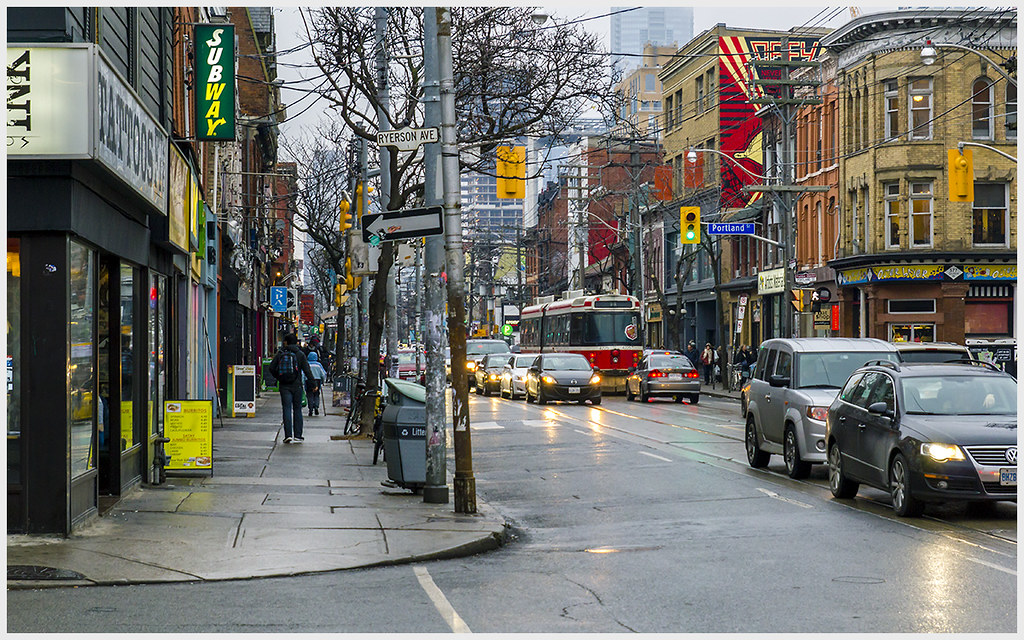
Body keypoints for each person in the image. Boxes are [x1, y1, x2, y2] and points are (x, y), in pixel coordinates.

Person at [268, 334, 315, 443]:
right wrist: (313, 383)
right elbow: (307, 370)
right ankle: (298, 435)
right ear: (296, 342)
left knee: (286, 409)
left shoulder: (280, 354)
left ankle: (288, 435)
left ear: (286, 342)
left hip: (284, 386)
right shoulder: (300, 354)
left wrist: (279, 377)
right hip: (297, 385)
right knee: (297, 409)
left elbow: (271, 368)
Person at [304, 351, 328, 416]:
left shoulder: (307, 364)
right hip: (317, 381)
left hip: (308, 381)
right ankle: (316, 406)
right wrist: (323, 381)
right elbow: (323, 374)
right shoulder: (318, 365)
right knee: (316, 395)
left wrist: (303, 381)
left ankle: (310, 409)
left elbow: (303, 374)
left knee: (309, 395)